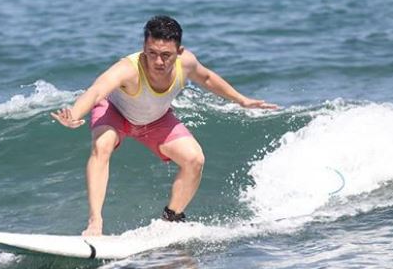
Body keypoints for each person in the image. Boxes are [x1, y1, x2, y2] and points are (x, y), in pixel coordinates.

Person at [51, 16, 278, 236]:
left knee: (194, 159)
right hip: (115, 112)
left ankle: (171, 219)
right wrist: (75, 114)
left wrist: (241, 100)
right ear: (144, 48)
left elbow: (207, 78)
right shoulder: (128, 69)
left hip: (155, 120)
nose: (158, 61)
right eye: (152, 53)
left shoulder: (186, 63)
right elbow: (97, 90)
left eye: (166, 55)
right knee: (102, 146)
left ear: (179, 52)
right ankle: (95, 222)